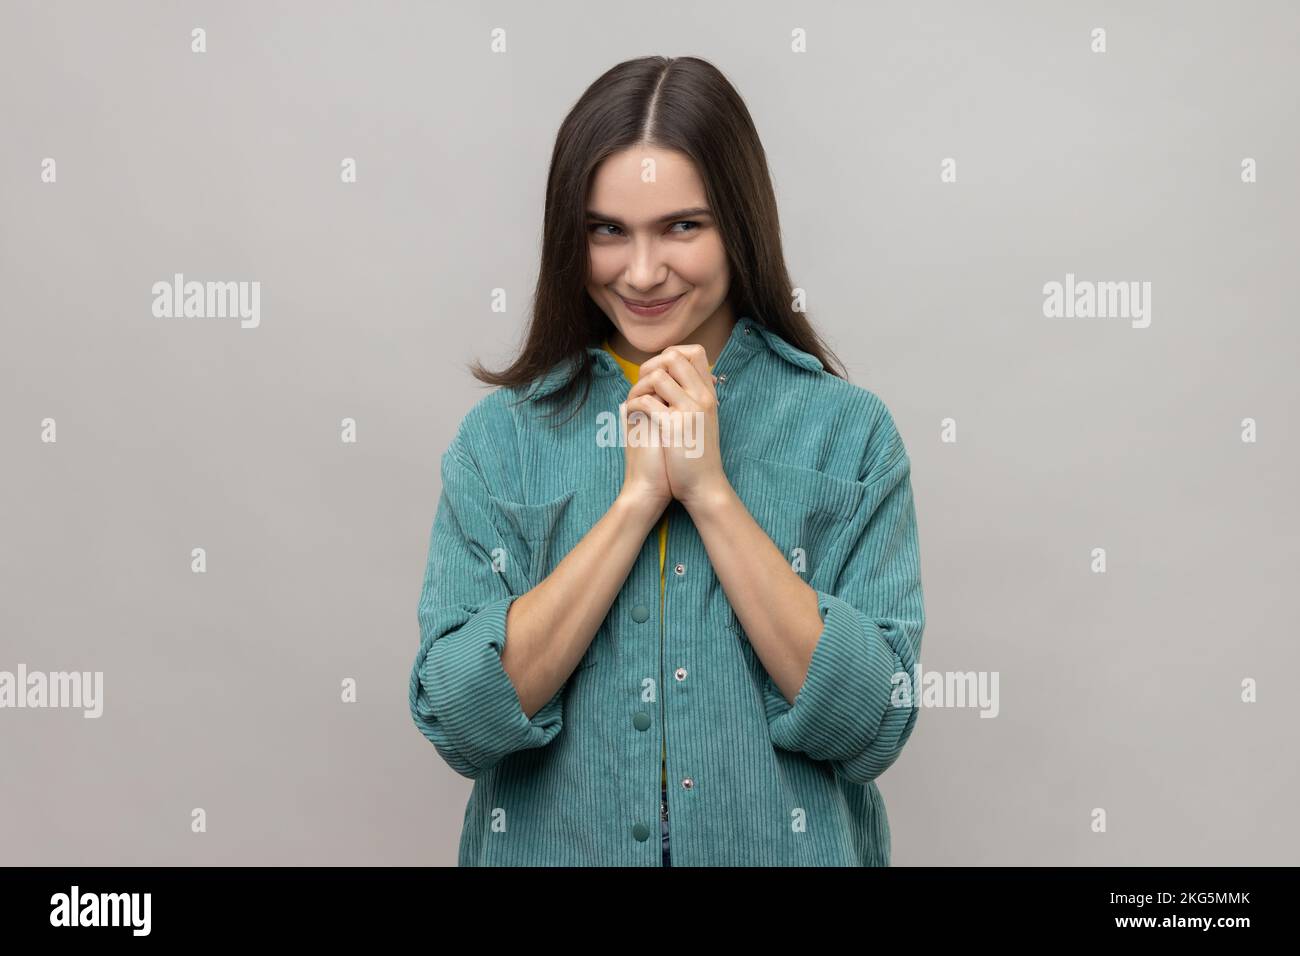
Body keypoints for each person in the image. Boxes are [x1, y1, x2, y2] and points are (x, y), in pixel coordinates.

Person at [409, 55, 925, 866]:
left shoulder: (849, 434)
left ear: (740, 222)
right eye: (607, 231)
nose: (642, 272)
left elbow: (873, 725)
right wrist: (634, 504)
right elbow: (460, 720)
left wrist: (711, 494)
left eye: (682, 226)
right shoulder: (498, 442)